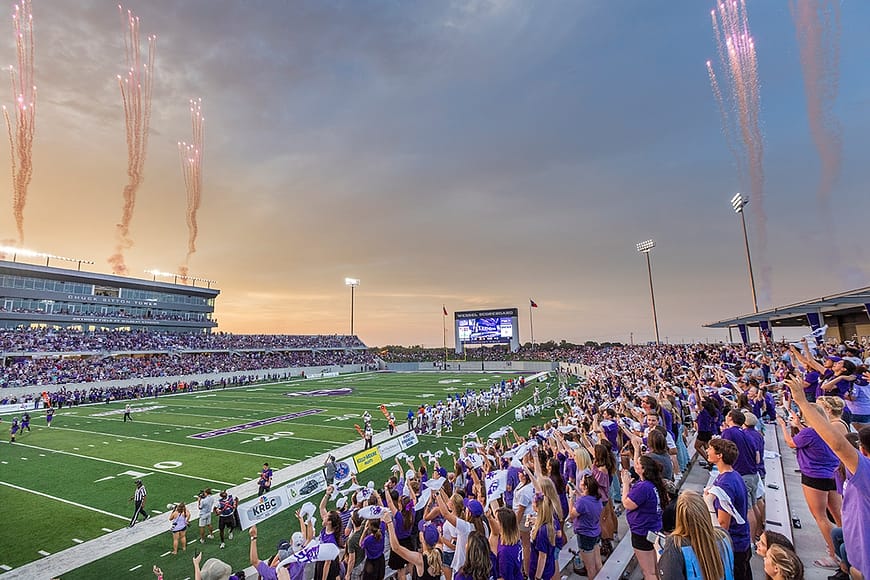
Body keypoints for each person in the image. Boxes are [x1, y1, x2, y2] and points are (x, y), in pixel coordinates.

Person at [783, 375, 870, 580]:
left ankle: (841, 562)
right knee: (838, 532)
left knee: (824, 517)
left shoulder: (865, 470)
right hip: (858, 552)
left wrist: (802, 402)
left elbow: (837, 444)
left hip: (864, 558)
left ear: (863, 451)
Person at [777, 404, 841, 568]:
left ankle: (835, 555)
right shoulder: (828, 429)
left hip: (814, 476)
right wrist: (798, 425)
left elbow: (791, 443)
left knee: (820, 516)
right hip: (832, 475)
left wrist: (784, 426)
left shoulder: (809, 433)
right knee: (838, 515)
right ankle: (846, 547)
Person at [658, 491, 734, 580]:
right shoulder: (724, 536)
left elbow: (669, 575)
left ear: (679, 517)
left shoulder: (675, 544)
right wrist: (709, 504)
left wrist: (658, 552)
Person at [705, 438, 751, 580]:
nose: (707, 451)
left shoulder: (726, 484)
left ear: (719, 456)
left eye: (710, 449)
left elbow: (723, 524)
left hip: (733, 545)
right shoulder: (733, 475)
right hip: (741, 541)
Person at [622, 455, 666, 580]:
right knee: (655, 568)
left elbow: (627, 504)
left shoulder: (643, 487)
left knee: (649, 572)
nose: (635, 465)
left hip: (642, 531)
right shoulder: (649, 484)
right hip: (652, 528)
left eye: (638, 464)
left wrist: (625, 485)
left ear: (643, 469)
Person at [383, 511, 443, 580]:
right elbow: (440, 542)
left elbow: (396, 548)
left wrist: (389, 523)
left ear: (422, 538)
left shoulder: (419, 559)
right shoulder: (439, 551)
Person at [569, 474, 603, 579]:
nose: (579, 482)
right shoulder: (597, 498)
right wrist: (579, 494)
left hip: (585, 535)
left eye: (581, 481)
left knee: (590, 567)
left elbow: (571, 516)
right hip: (596, 531)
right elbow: (586, 502)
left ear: (586, 486)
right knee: (598, 563)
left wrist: (571, 498)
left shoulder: (582, 502)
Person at [487, 506, 523, 580]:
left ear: (503, 525)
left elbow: (504, 578)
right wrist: (489, 517)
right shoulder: (515, 541)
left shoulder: (505, 552)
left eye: (496, 520)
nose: (494, 521)